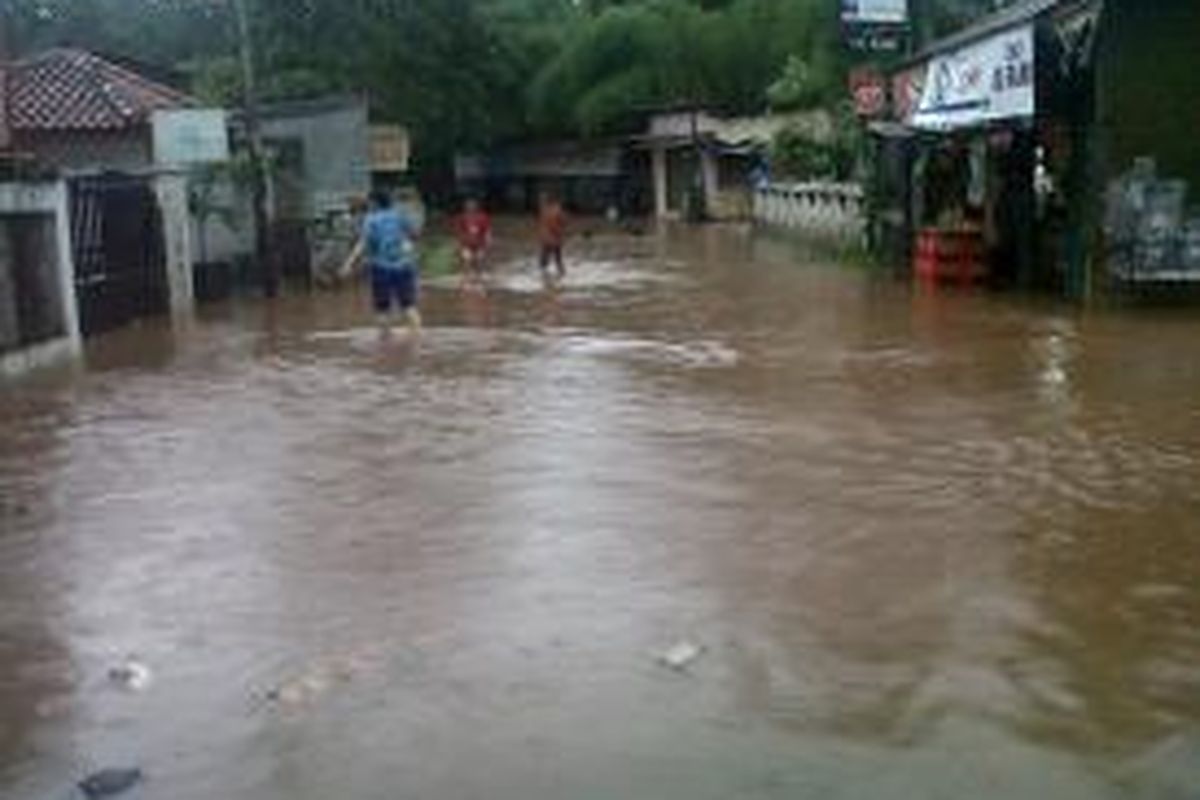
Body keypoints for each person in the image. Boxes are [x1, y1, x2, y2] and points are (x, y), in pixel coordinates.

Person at [341, 189, 422, 335]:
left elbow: (363, 244)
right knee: (409, 306)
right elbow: (415, 234)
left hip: (381, 268)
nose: (368, 205)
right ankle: (418, 339)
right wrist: (406, 245)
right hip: (404, 265)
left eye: (369, 202)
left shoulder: (371, 219)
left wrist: (349, 263)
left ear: (374, 203)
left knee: (382, 309)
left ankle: (385, 343)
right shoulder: (399, 215)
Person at [455, 197, 493, 289]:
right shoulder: (462, 217)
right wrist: (459, 244)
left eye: (472, 207)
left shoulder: (483, 217)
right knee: (467, 260)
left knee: (479, 260)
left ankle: (479, 278)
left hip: (480, 244)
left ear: (476, 208)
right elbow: (459, 231)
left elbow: (487, 230)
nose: (470, 208)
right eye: (468, 207)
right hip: (466, 243)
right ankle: (466, 279)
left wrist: (489, 240)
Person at [537, 191, 567, 282]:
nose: (541, 201)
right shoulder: (552, 209)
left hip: (548, 239)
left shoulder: (547, 209)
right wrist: (561, 232)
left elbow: (558, 223)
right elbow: (563, 222)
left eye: (542, 199)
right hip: (553, 239)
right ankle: (560, 275)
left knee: (545, 260)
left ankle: (545, 277)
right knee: (557, 259)